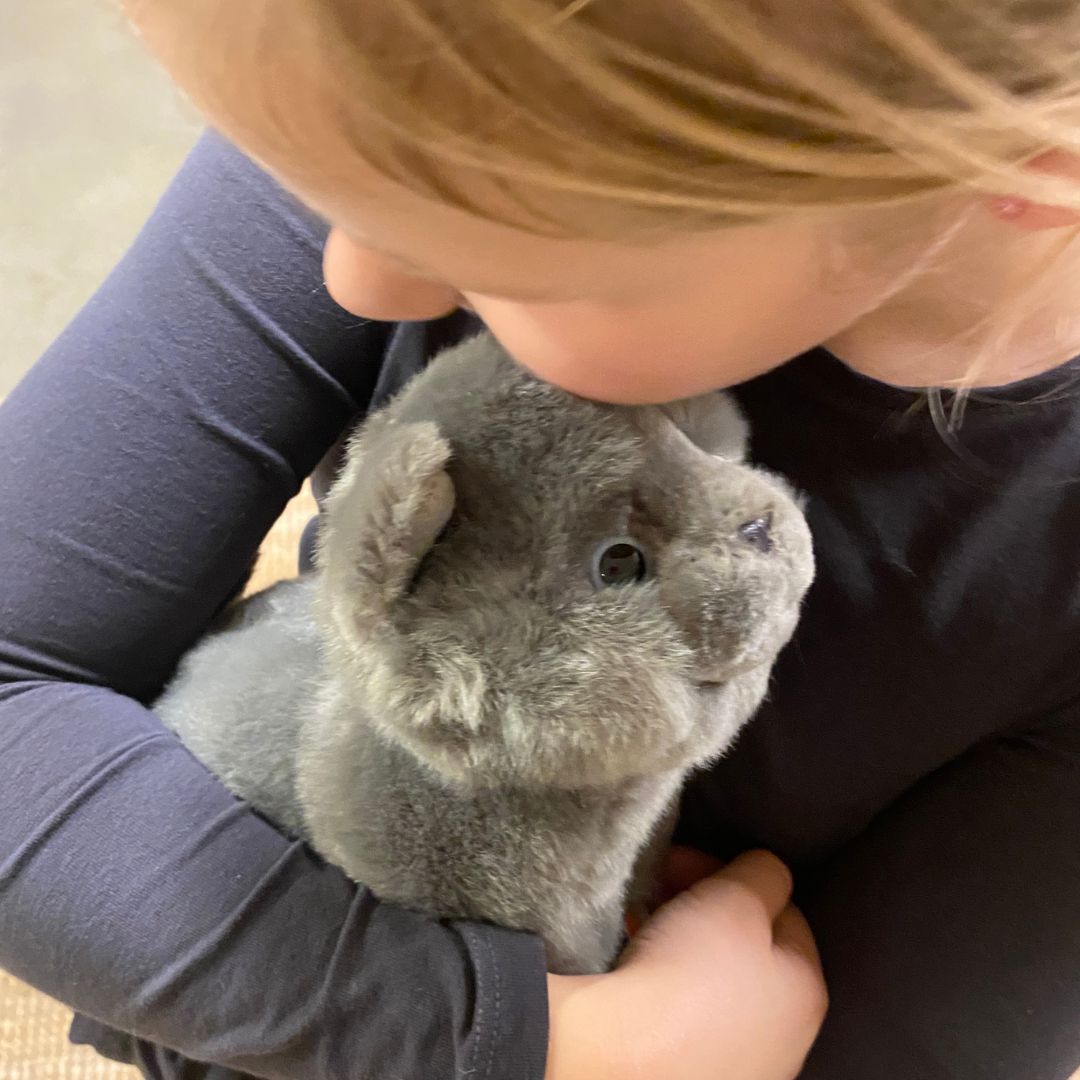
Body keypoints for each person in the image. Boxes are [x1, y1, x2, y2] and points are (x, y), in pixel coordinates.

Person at [1, 0, 1079, 1077]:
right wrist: (522, 1042)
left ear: (1031, 159)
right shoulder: (397, 71)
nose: (356, 282)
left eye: (514, 265)